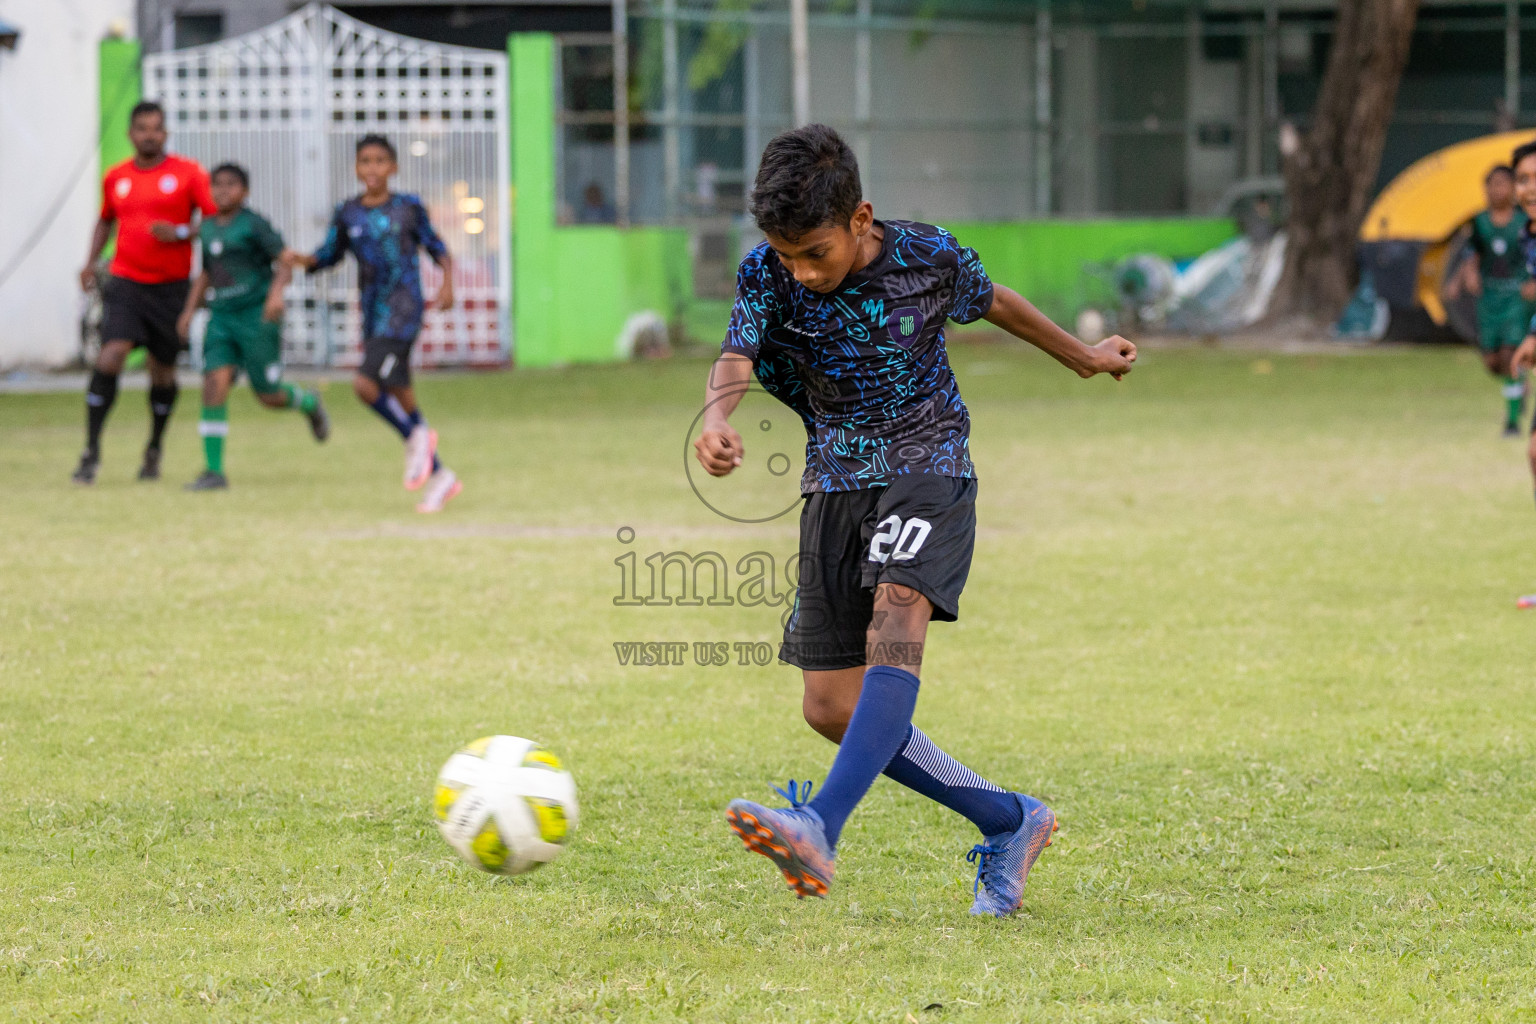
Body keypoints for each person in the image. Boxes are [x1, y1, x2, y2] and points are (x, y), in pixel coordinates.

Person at [694, 124, 1136, 917]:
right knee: (829, 707)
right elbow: (738, 353)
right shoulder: (768, 271)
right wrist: (716, 416)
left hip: (927, 464)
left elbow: (996, 301)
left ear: (861, 219)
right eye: (786, 253)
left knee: (895, 628)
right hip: (834, 482)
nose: (800, 269)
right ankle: (1009, 820)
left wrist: (1085, 356)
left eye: (814, 253)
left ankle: (818, 827)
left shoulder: (929, 255)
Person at [284, 134, 461, 513]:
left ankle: (416, 436)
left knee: (365, 384)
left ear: (393, 167)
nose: (373, 168)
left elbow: (438, 248)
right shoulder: (348, 212)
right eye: (365, 161)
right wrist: (302, 260)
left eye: (381, 161)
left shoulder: (408, 207)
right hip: (372, 311)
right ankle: (440, 474)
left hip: (403, 309)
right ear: (356, 168)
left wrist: (447, 283)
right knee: (397, 389)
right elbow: (328, 254)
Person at [74, 100, 217, 485]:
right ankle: (91, 451)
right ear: (131, 134)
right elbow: (105, 221)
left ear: (165, 133)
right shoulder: (116, 176)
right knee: (111, 355)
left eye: (156, 128)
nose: (149, 134)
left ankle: (154, 448)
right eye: (142, 128)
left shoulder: (188, 174)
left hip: (171, 288)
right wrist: (89, 263)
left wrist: (183, 232)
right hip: (126, 282)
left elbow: (216, 218)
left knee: (162, 370)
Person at [176, 163, 330, 491]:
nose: (222, 191)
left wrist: (275, 295)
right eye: (216, 185)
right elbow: (207, 272)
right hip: (221, 318)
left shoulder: (254, 225)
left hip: (256, 316)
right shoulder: (206, 228)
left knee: (268, 395)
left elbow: (284, 260)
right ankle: (213, 471)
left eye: (231, 185)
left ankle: (308, 403)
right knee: (213, 384)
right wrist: (189, 310)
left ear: (244, 191)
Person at [1447, 165, 1532, 436]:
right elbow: (1472, 254)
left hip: (1517, 298)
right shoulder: (1480, 222)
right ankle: (1521, 387)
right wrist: (1463, 277)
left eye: (1503, 184)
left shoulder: (1524, 222)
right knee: (1492, 362)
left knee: (1510, 355)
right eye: (1492, 185)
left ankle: (1512, 421)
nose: (1498, 190)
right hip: (1490, 298)